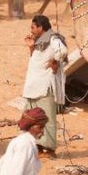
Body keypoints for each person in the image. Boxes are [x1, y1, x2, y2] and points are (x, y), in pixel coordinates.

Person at [22, 15, 68, 158]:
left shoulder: (53, 39)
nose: (32, 30)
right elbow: (37, 61)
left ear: (41, 28)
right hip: (33, 84)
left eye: (33, 27)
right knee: (33, 117)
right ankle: (38, 147)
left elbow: (63, 51)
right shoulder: (39, 42)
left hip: (44, 85)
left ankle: (50, 149)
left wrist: (55, 61)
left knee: (47, 118)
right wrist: (31, 47)